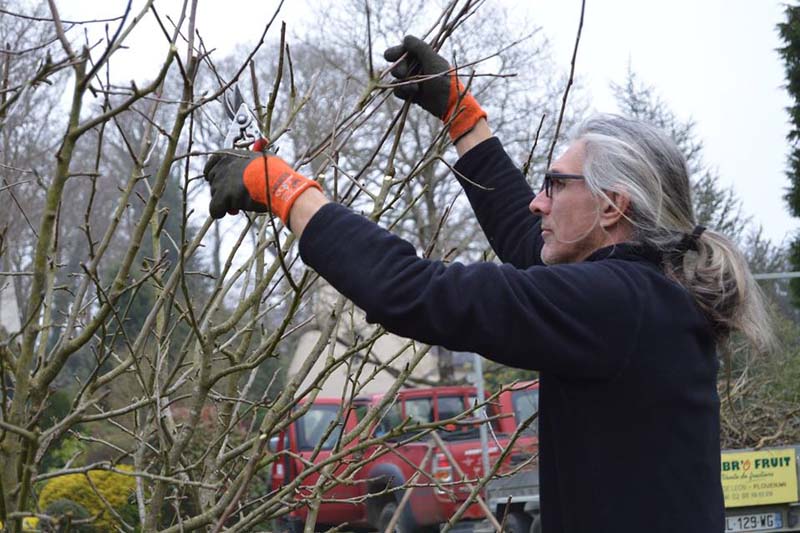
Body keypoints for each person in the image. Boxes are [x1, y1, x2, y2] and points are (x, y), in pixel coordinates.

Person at [203, 36, 773, 533]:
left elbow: (413, 291)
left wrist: (285, 190)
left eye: (555, 185)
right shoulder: (644, 295)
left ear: (611, 206)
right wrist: (460, 115)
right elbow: (528, 244)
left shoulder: (617, 303)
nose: (537, 199)